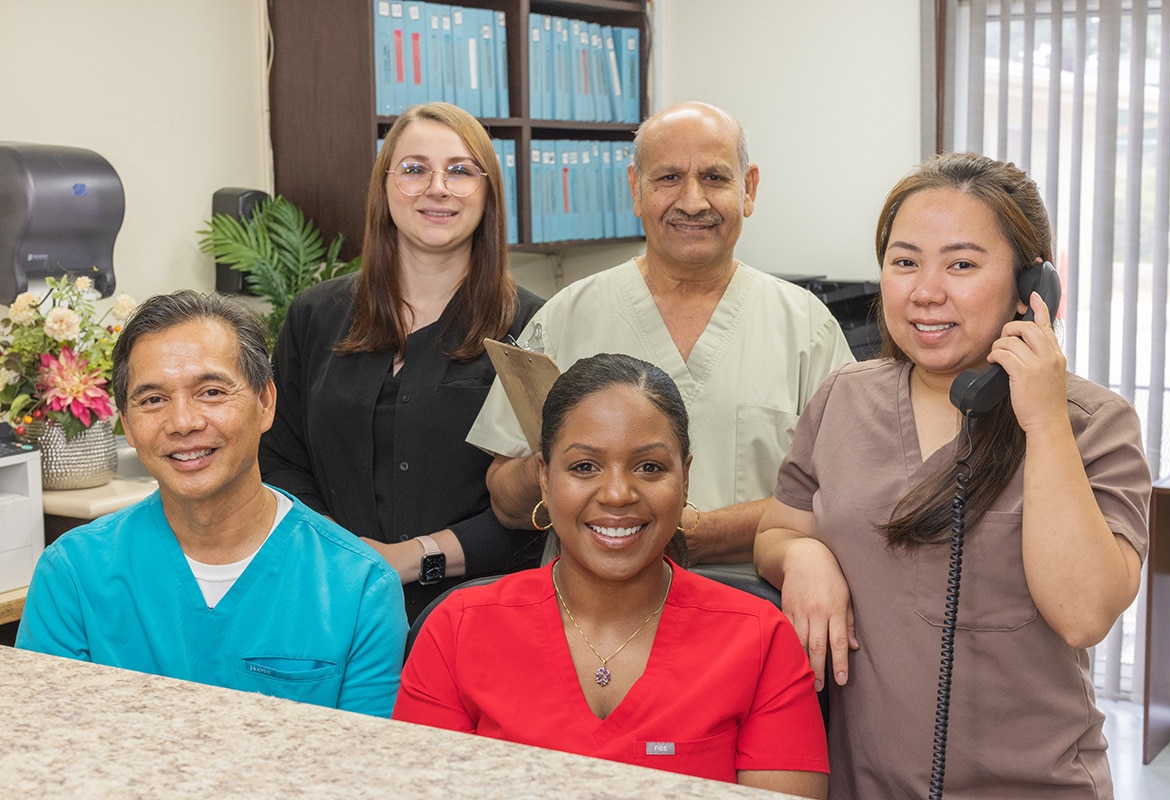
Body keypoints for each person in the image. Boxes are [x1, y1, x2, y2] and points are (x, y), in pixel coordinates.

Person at [755, 152, 1152, 799]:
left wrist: (1043, 418)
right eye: (904, 261)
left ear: (1033, 286)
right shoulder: (843, 397)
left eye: (962, 264)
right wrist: (801, 557)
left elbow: (1083, 615)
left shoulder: (1093, 423)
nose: (925, 291)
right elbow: (778, 526)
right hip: (860, 786)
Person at [397, 353, 829, 797]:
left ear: (685, 478)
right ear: (545, 479)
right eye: (585, 467)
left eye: (650, 467)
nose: (618, 494)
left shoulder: (760, 640)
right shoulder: (458, 628)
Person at [469, 101, 855, 568]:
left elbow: (845, 495)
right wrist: (562, 465)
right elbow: (506, 503)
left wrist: (686, 533)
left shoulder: (807, 329)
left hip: (756, 614)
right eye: (668, 178)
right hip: (592, 622)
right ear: (635, 187)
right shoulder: (565, 317)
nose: (692, 202)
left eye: (714, 178)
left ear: (748, 188)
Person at [17, 291, 406, 717]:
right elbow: (49, 749)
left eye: (212, 391)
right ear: (126, 425)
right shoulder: (73, 574)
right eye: (153, 400)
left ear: (265, 403)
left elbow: (364, 768)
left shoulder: (358, 586)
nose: (184, 422)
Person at [259, 102, 545, 622]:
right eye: (414, 169)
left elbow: (543, 496)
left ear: (488, 192)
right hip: (329, 604)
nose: (437, 188)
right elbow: (280, 460)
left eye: (460, 171)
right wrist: (344, 556)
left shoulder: (532, 326)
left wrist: (412, 560)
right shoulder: (314, 316)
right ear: (385, 185)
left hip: (482, 613)